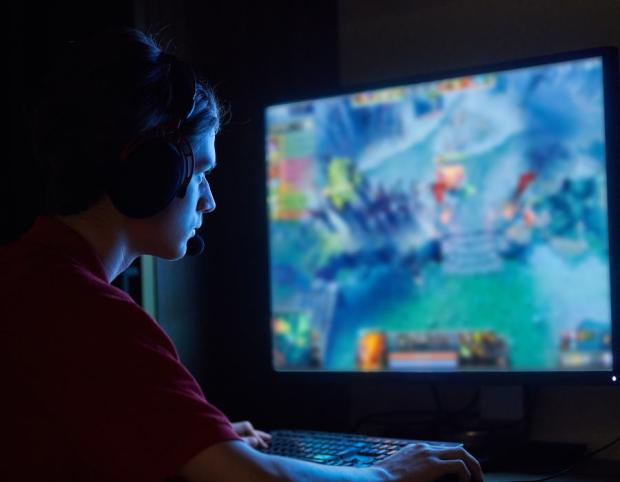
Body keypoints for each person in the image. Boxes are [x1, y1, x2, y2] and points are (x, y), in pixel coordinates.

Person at [1, 27, 484, 482]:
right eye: (200, 173)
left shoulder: (30, 278)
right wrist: (386, 473)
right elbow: (252, 478)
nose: (209, 201)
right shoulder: (88, 314)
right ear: (151, 172)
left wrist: (206, 438)